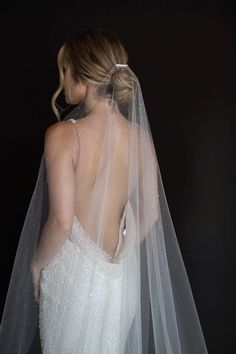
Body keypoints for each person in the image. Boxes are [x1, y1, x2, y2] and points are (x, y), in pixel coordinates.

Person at [0, 28, 208, 353]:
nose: (62, 80)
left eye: (65, 70)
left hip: (74, 280)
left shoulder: (62, 135)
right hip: (121, 280)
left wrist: (36, 264)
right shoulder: (140, 137)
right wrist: (119, 255)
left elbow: (62, 221)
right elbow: (151, 212)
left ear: (82, 76)